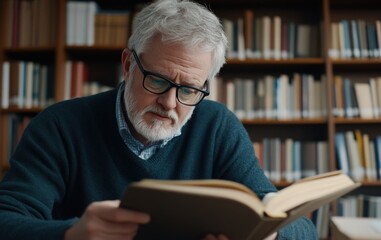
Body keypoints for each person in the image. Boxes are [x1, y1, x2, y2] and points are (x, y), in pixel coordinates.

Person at [0, 0, 318, 239]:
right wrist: (70, 235)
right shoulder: (60, 126)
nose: (168, 103)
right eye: (157, 80)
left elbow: (302, 229)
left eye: (189, 90)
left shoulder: (218, 126)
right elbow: (6, 219)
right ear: (128, 65)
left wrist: (269, 234)